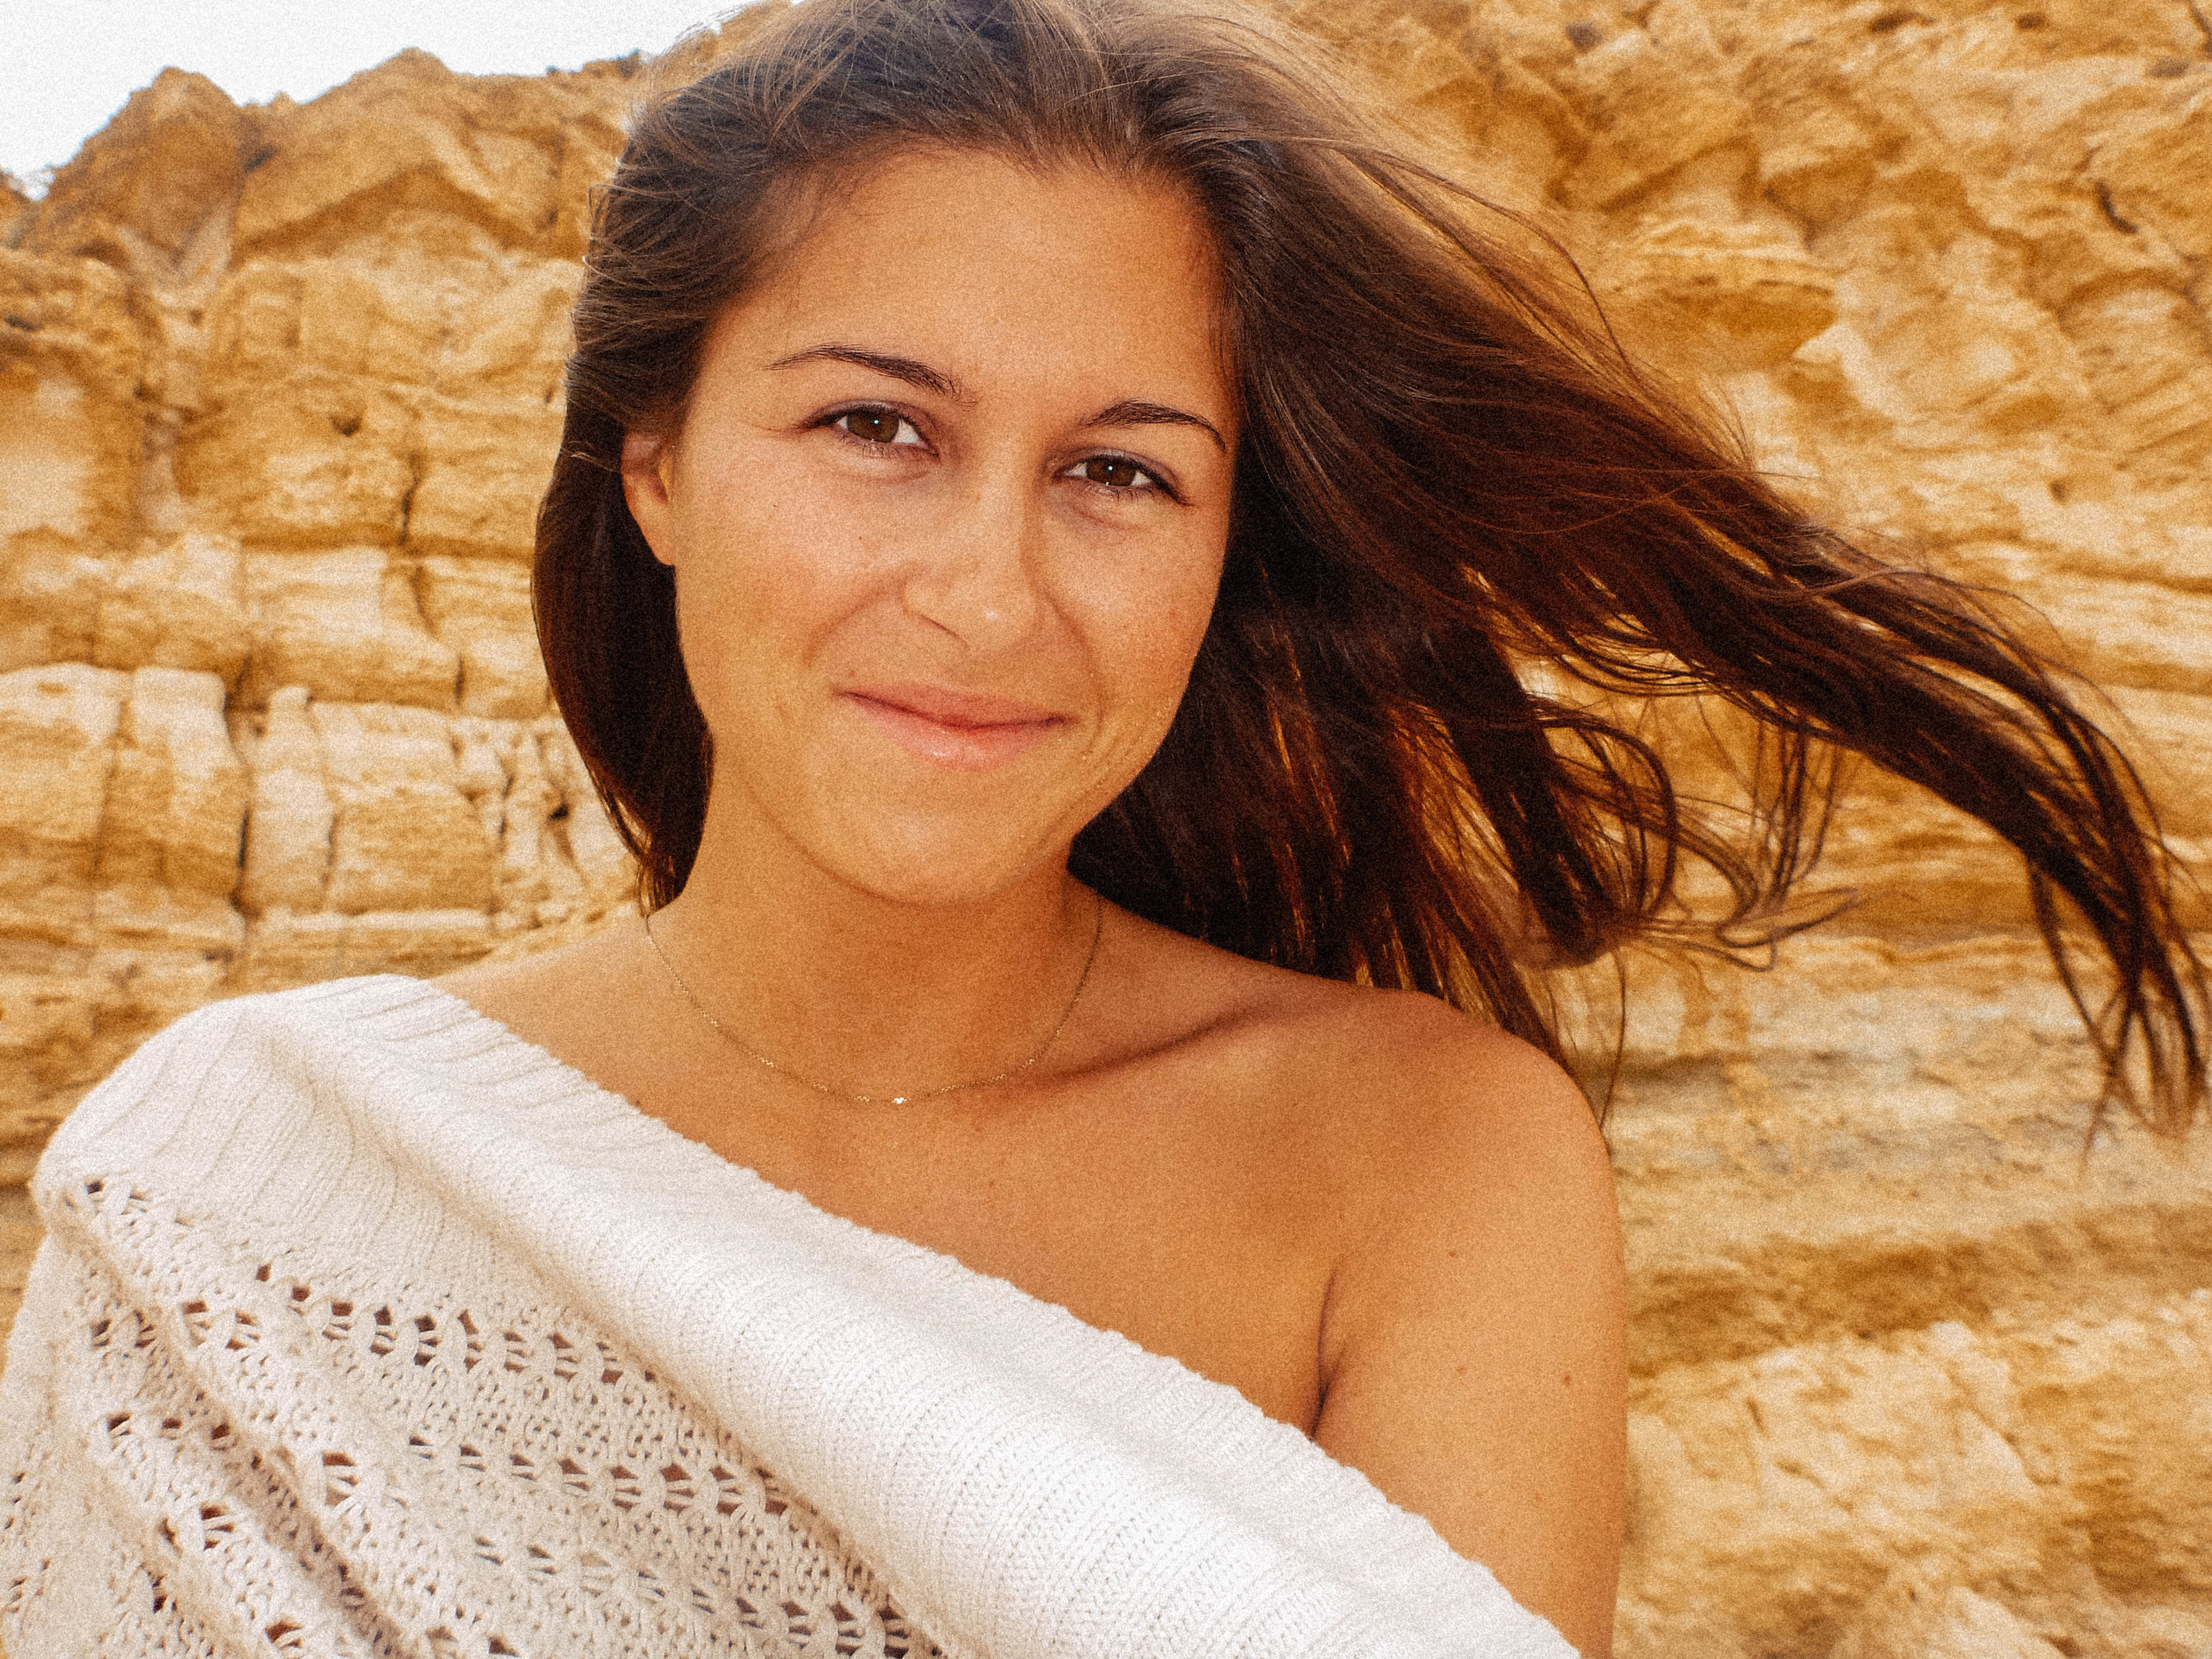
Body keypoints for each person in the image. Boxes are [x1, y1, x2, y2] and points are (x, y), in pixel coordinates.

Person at [0, 0, 2201, 1654]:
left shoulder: (1420, 1159)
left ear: (1226, 540)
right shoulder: (242, 1184)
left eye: (1120, 470)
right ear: (650, 458)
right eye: (875, 424)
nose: (985, 591)